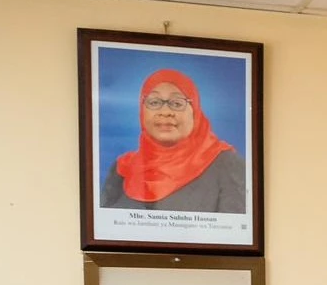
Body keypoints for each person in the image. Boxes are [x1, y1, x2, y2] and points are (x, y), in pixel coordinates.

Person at [100, 69, 245, 212]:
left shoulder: (227, 165)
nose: (165, 112)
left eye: (176, 103)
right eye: (154, 102)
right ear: (142, 110)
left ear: (195, 111)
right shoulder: (123, 168)